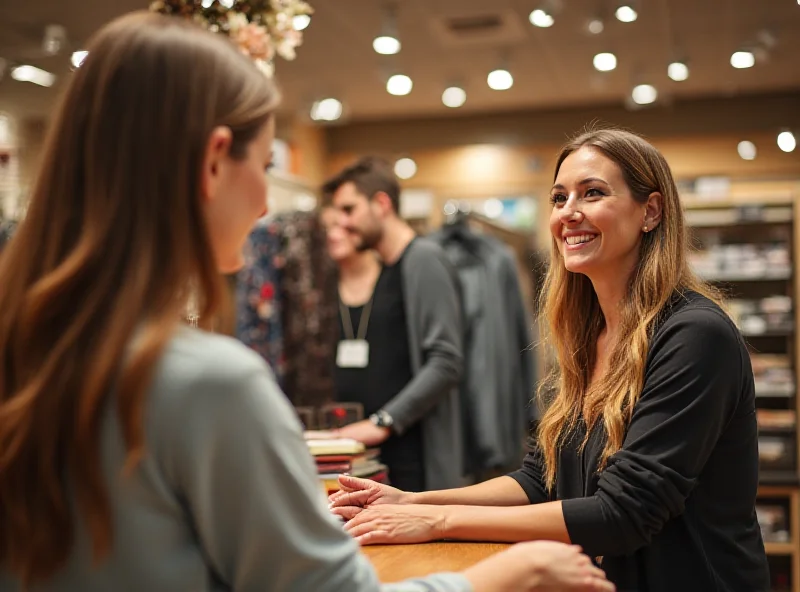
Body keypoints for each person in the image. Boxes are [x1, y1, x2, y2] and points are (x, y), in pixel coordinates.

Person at [0, 11, 615, 592]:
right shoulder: (206, 380)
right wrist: (509, 573)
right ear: (215, 162)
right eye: (263, 164)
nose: (267, 203)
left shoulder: (26, 345)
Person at [330, 127, 771, 592]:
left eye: (593, 193)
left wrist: (438, 520)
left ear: (651, 211)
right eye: (559, 198)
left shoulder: (695, 335)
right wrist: (412, 502)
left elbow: (623, 513)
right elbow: (543, 478)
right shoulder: (590, 334)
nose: (568, 213)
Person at [322, 157, 464, 492]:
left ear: (381, 204)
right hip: (383, 456)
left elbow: (446, 361)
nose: (342, 222)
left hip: (414, 457)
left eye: (349, 210)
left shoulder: (424, 259)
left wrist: (383, 421)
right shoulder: (387, 268)